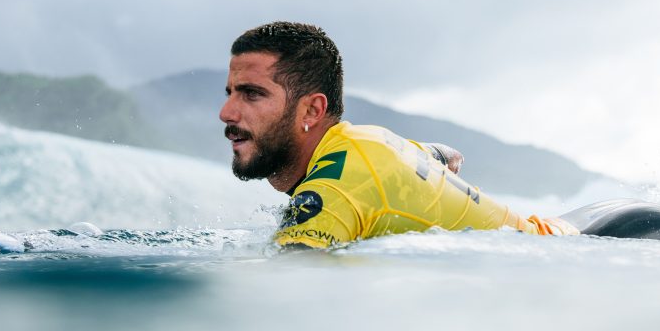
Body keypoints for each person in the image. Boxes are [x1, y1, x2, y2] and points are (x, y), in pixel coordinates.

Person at [218, 21, 579, 249]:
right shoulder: (362, 141)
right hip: (564, 229)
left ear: (312, 110)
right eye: (230, 92)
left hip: (579, 245)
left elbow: (283, 293)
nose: (227, 113)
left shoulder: (335, 191)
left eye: (252, 94)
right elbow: (444, 155)